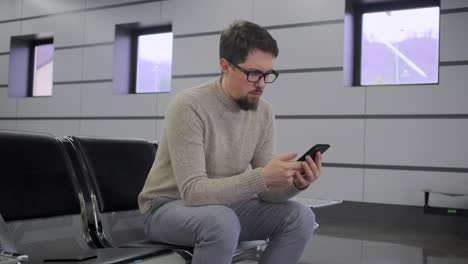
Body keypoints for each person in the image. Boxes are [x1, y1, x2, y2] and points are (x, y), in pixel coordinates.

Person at [138, 20, 323, 264]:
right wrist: (262, 177)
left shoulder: (263, 112)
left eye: (268, 75)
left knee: (301, 217)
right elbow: (193, 192)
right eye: (254, 73)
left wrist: (295, 184)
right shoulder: (188, 106)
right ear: (225, 66)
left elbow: (268, 194)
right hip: (167, 208)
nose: (261, 85)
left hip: (225, 208)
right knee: (221, 222)